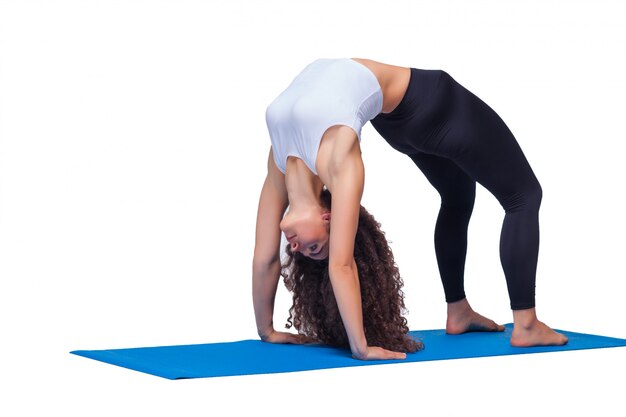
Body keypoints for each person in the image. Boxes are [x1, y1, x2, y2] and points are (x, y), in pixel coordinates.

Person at [252, 57, 568, 361]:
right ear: (327, 217)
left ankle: (458, 311)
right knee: (523, 196)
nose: (296, 249)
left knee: (457, 196)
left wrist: (267, 331)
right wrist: (360, 347)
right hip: (432, 104)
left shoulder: (280, 161)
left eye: (307, 249)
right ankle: (526, 324)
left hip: (398, 124)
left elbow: (265, 258)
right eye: (315, 248)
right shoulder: (339, 162)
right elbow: (341, 264)